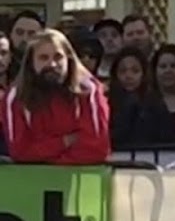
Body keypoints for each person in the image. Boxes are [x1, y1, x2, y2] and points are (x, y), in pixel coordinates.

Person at [3, 29, 111, 164]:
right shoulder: (15, 96)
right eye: (43, 58)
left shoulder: (89, 91)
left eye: (58, 57)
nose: (52, 64)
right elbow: (20, 152)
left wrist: (47, 155)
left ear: (69, 59)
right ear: (31, 62)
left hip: (80, 176)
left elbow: (96, 150)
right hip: (34, 177)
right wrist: (65, 141)